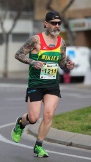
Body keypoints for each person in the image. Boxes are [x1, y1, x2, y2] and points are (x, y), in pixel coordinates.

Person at [12, 11, 75, 158]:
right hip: (36, 83)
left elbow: (61, 62)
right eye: (54, 23)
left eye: (59, 23)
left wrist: (68, 64)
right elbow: (19, 54)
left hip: (52, 83)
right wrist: (32, 62)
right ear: (46, 24)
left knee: (48, 115)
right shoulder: (36, 40)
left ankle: (38, 146)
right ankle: (21, 123)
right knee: (33, 118)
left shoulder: (62, 42)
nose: (57, 26)